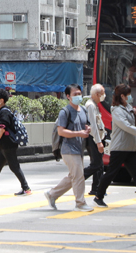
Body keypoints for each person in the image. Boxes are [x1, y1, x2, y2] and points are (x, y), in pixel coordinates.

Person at [94, 84, 136, 208]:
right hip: (120, 148)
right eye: (128, 95)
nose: (131, 97)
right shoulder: (117, 110)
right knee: (111, 173)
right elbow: (127, 127)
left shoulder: (127, 107)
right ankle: (98, 196)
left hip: (130, 147)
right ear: (122, 96)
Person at [45, 84, 94, 212]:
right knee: (79, 176)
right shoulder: (64, 112)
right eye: (75, 94)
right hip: (68, 149)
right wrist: (78, 133)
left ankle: (52, 194)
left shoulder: (83, 110)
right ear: (68, 96)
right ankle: (80, 203)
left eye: (79, 93)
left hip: (79, 148)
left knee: (73, 176)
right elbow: (61, 132)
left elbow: (85, 125)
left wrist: (87, 129)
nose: (78, 96)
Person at [83, 84, 107, 196]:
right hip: (93, 139)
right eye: (102, 94)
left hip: (98, 138)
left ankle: (96, 188)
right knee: (97, 164)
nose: (104, 96)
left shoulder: (95, 105)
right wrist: (98, 142)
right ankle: (78, 178)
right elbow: (93, 125)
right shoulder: (90, 105)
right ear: (97, 94)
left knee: (99, 165)